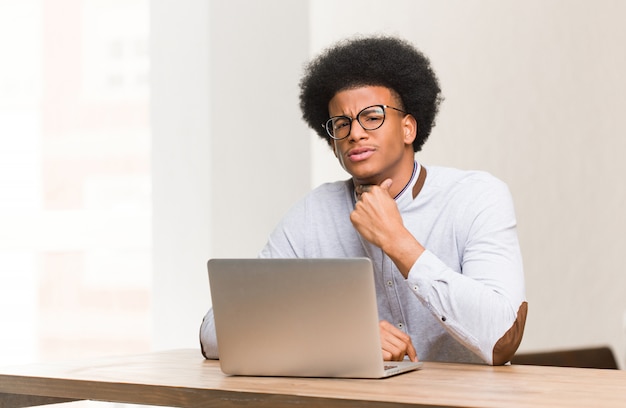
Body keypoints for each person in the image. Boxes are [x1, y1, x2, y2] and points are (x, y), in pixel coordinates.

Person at [200, 35, 527, 365]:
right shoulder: (313, 215)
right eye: (341, 124)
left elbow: (501, 337)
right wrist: (338, 335)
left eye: (372, 117)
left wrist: (396, 239)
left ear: (408, 128)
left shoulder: (476, 197)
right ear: (333, 145)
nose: (355, 132)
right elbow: (213, 332)